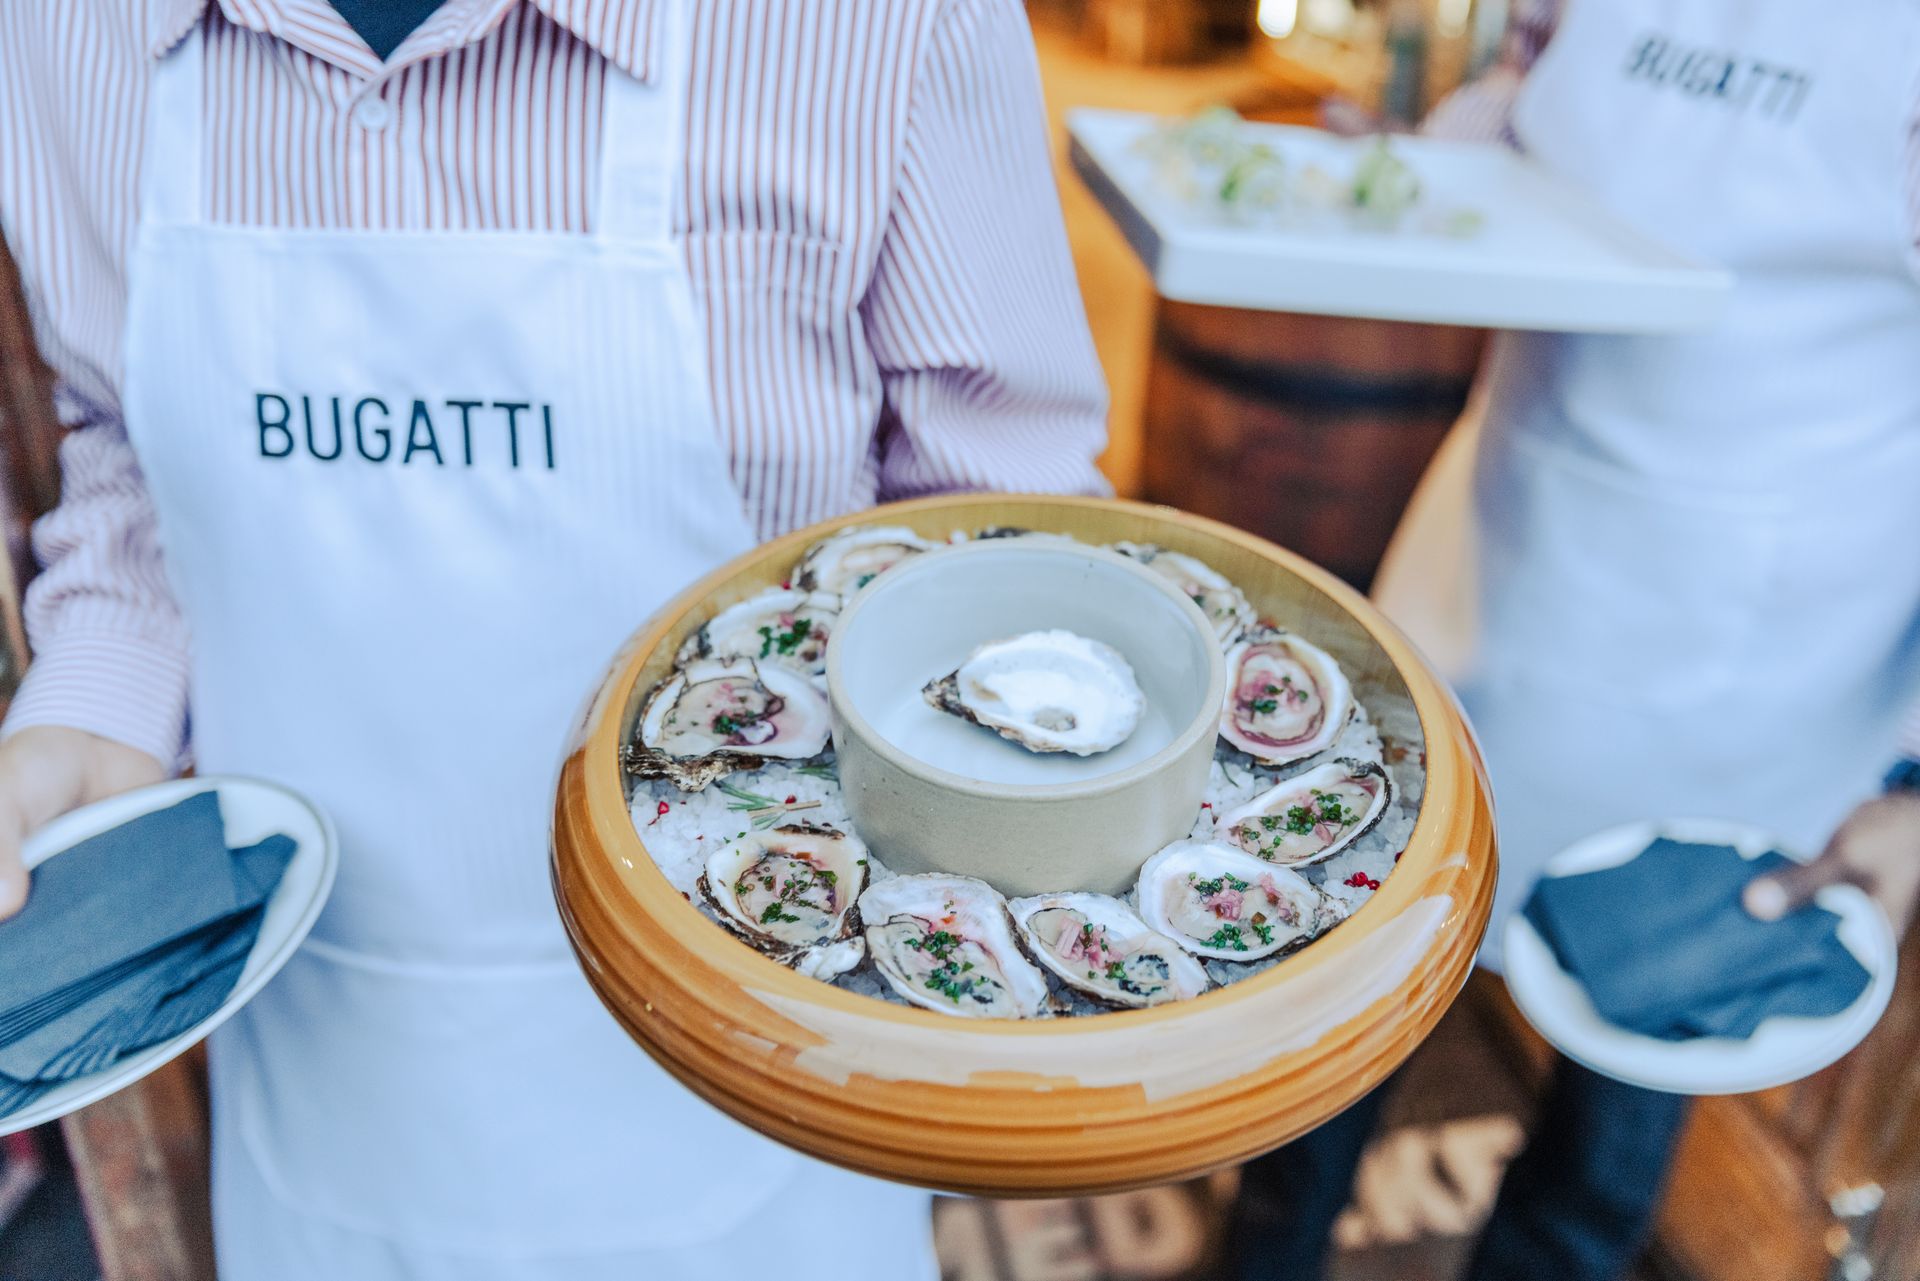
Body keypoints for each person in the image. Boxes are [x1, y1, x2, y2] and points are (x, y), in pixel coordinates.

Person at [0, 2, 1108, 1278]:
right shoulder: (64, 30)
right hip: (328, 1104)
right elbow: (130, 463)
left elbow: (1009, 577)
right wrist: (89, 727)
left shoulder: (882, 29)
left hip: (775, 1113)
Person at [1232, 1, 1920, 1277]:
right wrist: (1417, 170)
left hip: (1752, 680)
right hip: (1491, 565)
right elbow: (1528, 109)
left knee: (1619, 1109)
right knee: (1344, 1004)